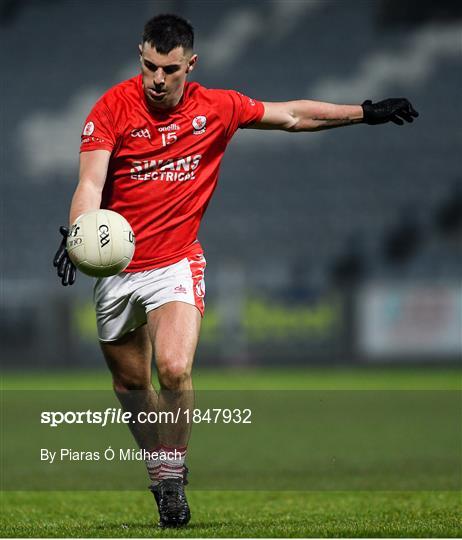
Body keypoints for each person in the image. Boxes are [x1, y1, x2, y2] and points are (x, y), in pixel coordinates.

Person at [53, 13, 418, 528]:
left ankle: (173, 476)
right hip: (116, 269)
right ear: (140, 55)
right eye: (149, 66)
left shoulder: (217, 108)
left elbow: (291, 116)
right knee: (130, 387)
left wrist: (363, 112)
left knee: (175, 368)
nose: (157, 79)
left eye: (170, 69)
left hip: (175, 262)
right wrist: (78, 232)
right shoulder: (111, 107)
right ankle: (158, 471)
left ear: (190, 64)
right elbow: (90, 182)